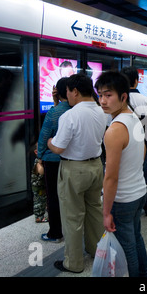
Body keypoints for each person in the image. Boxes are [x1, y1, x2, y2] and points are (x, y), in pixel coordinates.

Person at [47, 74, 107, 273]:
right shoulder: (101, 111)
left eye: (67, 92)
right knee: (94, 212)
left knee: (72, 216)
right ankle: (96, 251)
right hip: (96, 166)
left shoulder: (70, 116)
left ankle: (73, 263)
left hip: (74, 170)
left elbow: (58, 148)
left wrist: (49, 142)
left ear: (75, 91)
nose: (68, 97)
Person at [96, 71, 147, 277]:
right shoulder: (134, 119)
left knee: (127, 245)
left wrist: (106, 212)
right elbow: (143, 152)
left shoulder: (114, 129)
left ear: (123, 96)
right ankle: (146, 274)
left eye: (108, 95)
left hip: (123, 199)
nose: (102, 100)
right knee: (136, 238)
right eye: (100, 94)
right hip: (139, 192)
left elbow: (111, 177)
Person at [37, 77, 71, 243]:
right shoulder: (75, 109)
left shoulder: (54, 112)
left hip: (53, 160)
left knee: (53, 197)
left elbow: (44, 136)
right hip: (72, 160)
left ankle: (55, 233)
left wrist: (39, 157)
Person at [121, 66, 147, 216]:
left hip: (121, 144)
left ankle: (126, 206)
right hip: (141, 144)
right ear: (136, 81)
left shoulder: (118, 100)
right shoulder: (145, 100)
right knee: (143, 176)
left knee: (122, 174)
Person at [31, 143, 47, 223]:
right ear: (36, 152)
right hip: (38, 187)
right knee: (39, 202)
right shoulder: (38, 162)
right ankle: (39, 217)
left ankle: (42, 214)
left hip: (42, 186)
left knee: (43, 200)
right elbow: (41, 172)